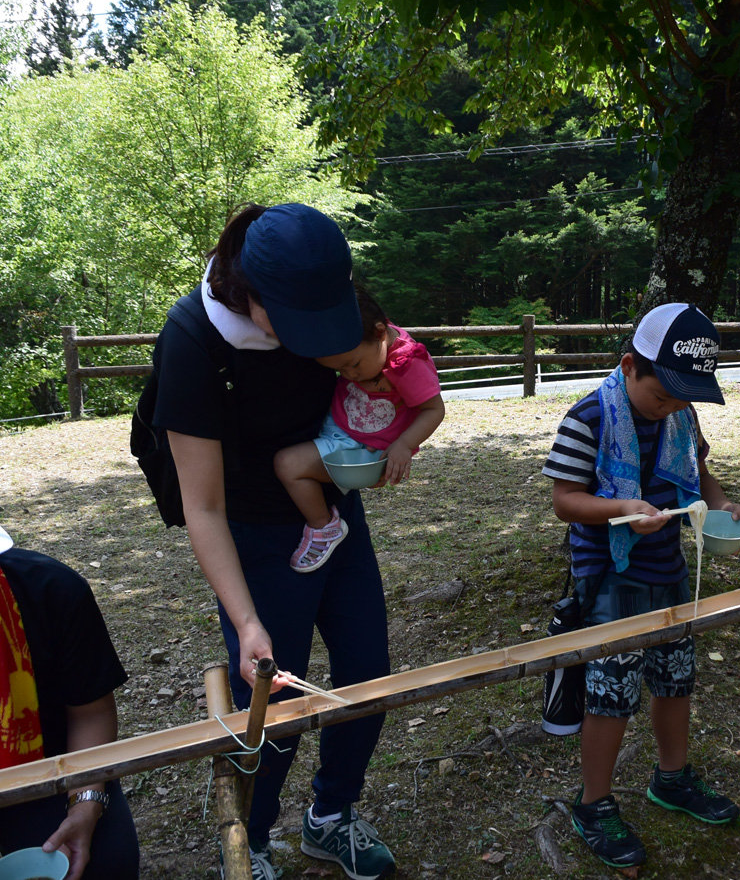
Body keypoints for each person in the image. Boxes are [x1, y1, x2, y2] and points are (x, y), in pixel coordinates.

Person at [150, 203, 396, 880]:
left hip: (331, 511)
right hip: (253, 528)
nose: (313, 344)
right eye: (294, 327)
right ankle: (253, 837)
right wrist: (247, 619)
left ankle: (331, 818)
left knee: (368, 673)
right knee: (276, 699)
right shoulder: (192, 338)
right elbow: (202, 505)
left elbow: (383, 366)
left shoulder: (325, 289)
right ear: (251, 296)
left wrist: (387, 437)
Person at [542, 303, 740, 869]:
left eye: (684, 397)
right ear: (630, 365)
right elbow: (564, 500)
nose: (672, 407)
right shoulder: (590, 418)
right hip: (611, 576)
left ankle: (672, 779)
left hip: (667, 570)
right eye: (662, 396)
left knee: (675, 679)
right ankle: (593, 802)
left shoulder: (680, 413)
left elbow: (699, 469)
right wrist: (622, 508)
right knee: (611, 694)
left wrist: (721, 502)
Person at [0, 525, 140, 880]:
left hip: (42, 775)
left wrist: (85, 806)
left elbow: (90, 713)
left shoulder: (50, 590)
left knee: (105, 863)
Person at [273, 285, 444, 572]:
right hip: (343, 426)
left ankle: (324, 526)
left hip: (361, 448)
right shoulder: (362, 336)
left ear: (380, 332)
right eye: (341, 371)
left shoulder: (406, 363)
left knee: (287, 465)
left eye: (353, 365)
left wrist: (403, 445)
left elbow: (434, 409)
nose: (351, 375)